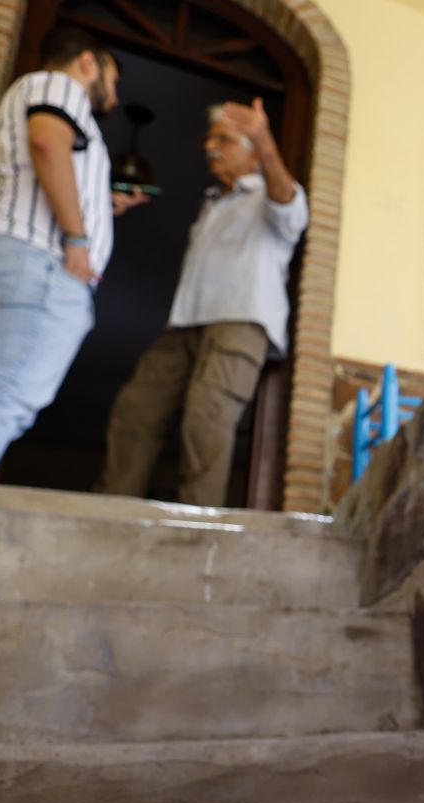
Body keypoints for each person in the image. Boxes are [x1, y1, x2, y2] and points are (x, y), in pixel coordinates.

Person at [0, 25, 146, 483]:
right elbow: (47, 141)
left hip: (6, 255)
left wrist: (98, 206)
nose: (116, 96)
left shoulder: (26, 94)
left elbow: (35, 164)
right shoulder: (58, 86)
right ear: (88, 63)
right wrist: (78, 241)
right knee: (0, 398)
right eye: (114, 78)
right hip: (33, 264)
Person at [98, 98, 307, 507]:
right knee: (135, 411)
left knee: (206, 422)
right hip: (184, 324)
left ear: (252, 153)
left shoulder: (270, 195)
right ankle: (109, 511)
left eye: (225, 139)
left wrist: (266, 142)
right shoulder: (211, 201)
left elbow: (290, 206)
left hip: (240, 322)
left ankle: (198, 532)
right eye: (210, 138)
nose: (210, 146)